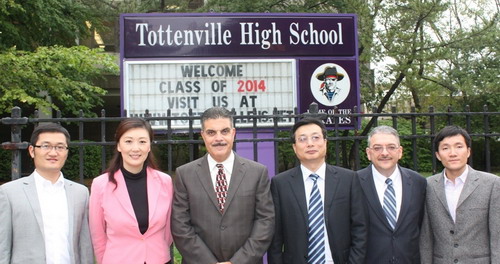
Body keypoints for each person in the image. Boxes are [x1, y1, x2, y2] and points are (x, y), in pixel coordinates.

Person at [172, 107, 275, 264]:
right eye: (211, 132)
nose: (218, 138)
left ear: (233, 133)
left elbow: (265, 221)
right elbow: (180, 225)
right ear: (203, 135)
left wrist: (238, 261)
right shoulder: (185, 174)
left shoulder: (257, 172)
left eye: (224, 131)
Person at [268, 117, 368, 264]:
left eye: (316, 137)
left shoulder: (348, 179)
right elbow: (275, 238)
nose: (310, 143)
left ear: (325, 143)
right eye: (302, 139)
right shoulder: (280, 184)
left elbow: (360, 229)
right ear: (295, 148)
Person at [0, 123, 93, 264]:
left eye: (60, 147)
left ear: (66, 152)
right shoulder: (9, 193)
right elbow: (3, 246)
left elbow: (84, 244)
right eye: (46, 146)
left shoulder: (80, 193)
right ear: (32, 151)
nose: (53, 153)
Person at [89, 118, 173, 264]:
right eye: (128, 141)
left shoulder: (165, 181)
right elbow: (98, 235)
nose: (136, 148)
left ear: (149, 146)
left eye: (142, 141)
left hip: (158, 259)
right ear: (119, 146)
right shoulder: (101, 185)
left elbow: (169, 230)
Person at [419, 125, 500, 264]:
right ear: (438, 155)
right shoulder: (428, 186)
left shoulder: (492, 184)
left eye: (458, 146)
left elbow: (497, 236)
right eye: (445, 148)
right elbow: (426, 237)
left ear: (468, 151)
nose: (453, 153)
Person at [357, 125, 426, 263]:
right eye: (377, 148)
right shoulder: (354, 183)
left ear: (400, 152)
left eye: (391, 147)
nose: (384, 153)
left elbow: (421, 224)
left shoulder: (418, 182)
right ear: (368, 153)